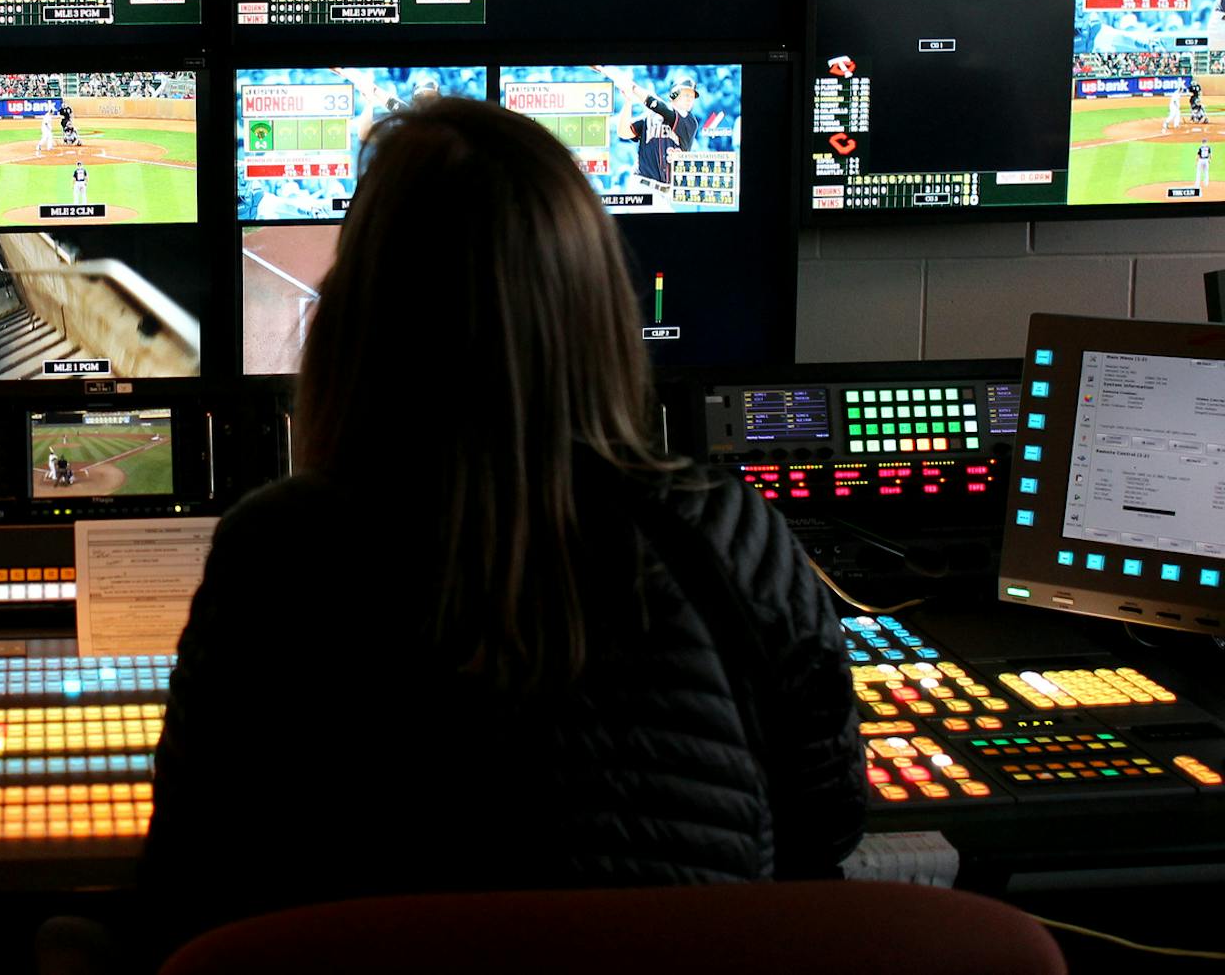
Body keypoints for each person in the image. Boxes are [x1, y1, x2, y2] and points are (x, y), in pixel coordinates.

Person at [142, 98, 862, 946]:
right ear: (597, 315)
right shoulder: (725, 535)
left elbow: (190, 881)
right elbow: (826, 832)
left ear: (355, 319)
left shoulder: (278, 548)